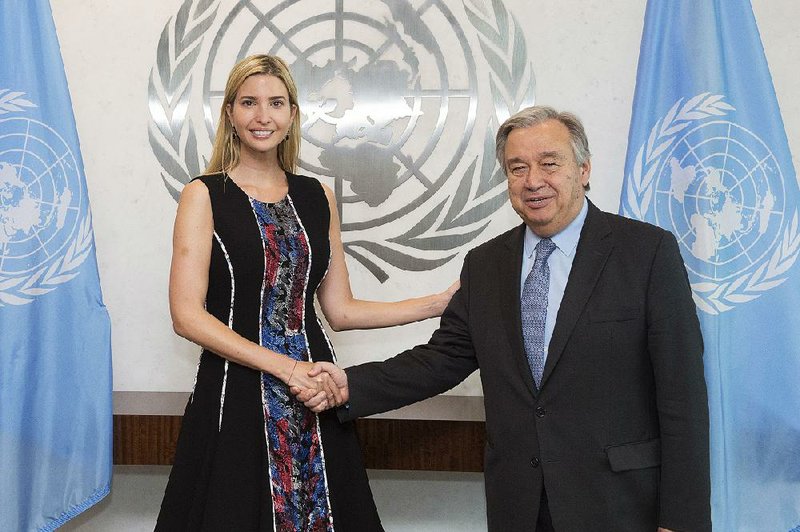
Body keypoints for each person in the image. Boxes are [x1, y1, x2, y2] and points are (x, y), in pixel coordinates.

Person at [298, 106, 711, 531]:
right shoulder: (486, 265)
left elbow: (683, 399)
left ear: (583, 170)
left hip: (620, 505)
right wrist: (350, 385)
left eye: (549, 164)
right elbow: (440, 360)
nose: (533, 181)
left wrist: (681, 519)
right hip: (521, 503)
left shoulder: (647, 253)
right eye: (518, 168)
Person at [156, 54, 456, 531]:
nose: (263, 116)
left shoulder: (318, 196)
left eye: (276, 103)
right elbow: (186, 316)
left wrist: (438, 303)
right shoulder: (204, 193)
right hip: (236, 392)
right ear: (230, 114)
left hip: (317, 395)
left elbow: (340, 310)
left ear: (292, 114)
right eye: (249, 103)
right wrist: (287, 367)